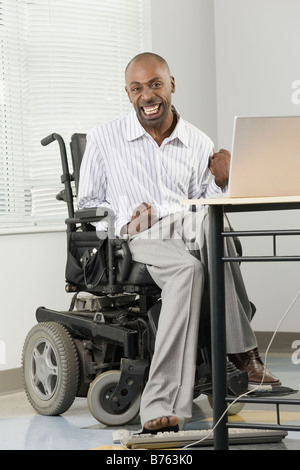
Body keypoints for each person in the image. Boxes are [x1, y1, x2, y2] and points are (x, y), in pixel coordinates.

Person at [77, 52, 280, 433]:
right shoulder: (105, 138)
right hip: (140, 235)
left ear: (172, 85)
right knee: (189, 267)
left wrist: (223, 181)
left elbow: (209, 204)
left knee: (212, 223)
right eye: (137, 88)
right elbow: (89, 205)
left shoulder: (198, 141)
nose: (147, 96)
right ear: (128, 94)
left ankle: (239, 350)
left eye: (155, 84)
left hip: (189, 227)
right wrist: (123, 220)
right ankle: (168, 399)